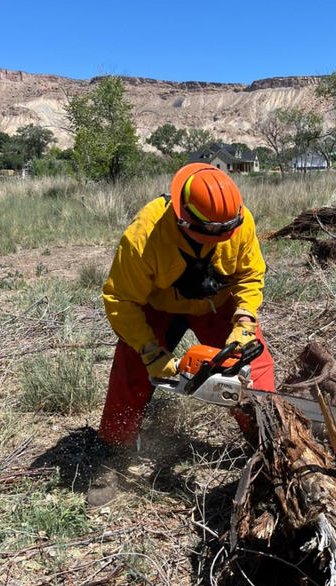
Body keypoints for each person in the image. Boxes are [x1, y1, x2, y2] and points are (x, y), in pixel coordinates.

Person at [87, 163, 275, 506]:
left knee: (255, 367)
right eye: (211, 234)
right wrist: (151, 353)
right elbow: (121, 299)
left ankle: (267, 444)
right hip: (159, 305)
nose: (222, 239)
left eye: (226, 232)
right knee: (131, 368)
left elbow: (250, 276)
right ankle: (111, 452)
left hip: (217, 304)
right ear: (183, 220)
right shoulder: (144, 235)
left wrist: (244, 322)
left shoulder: (241, 221)